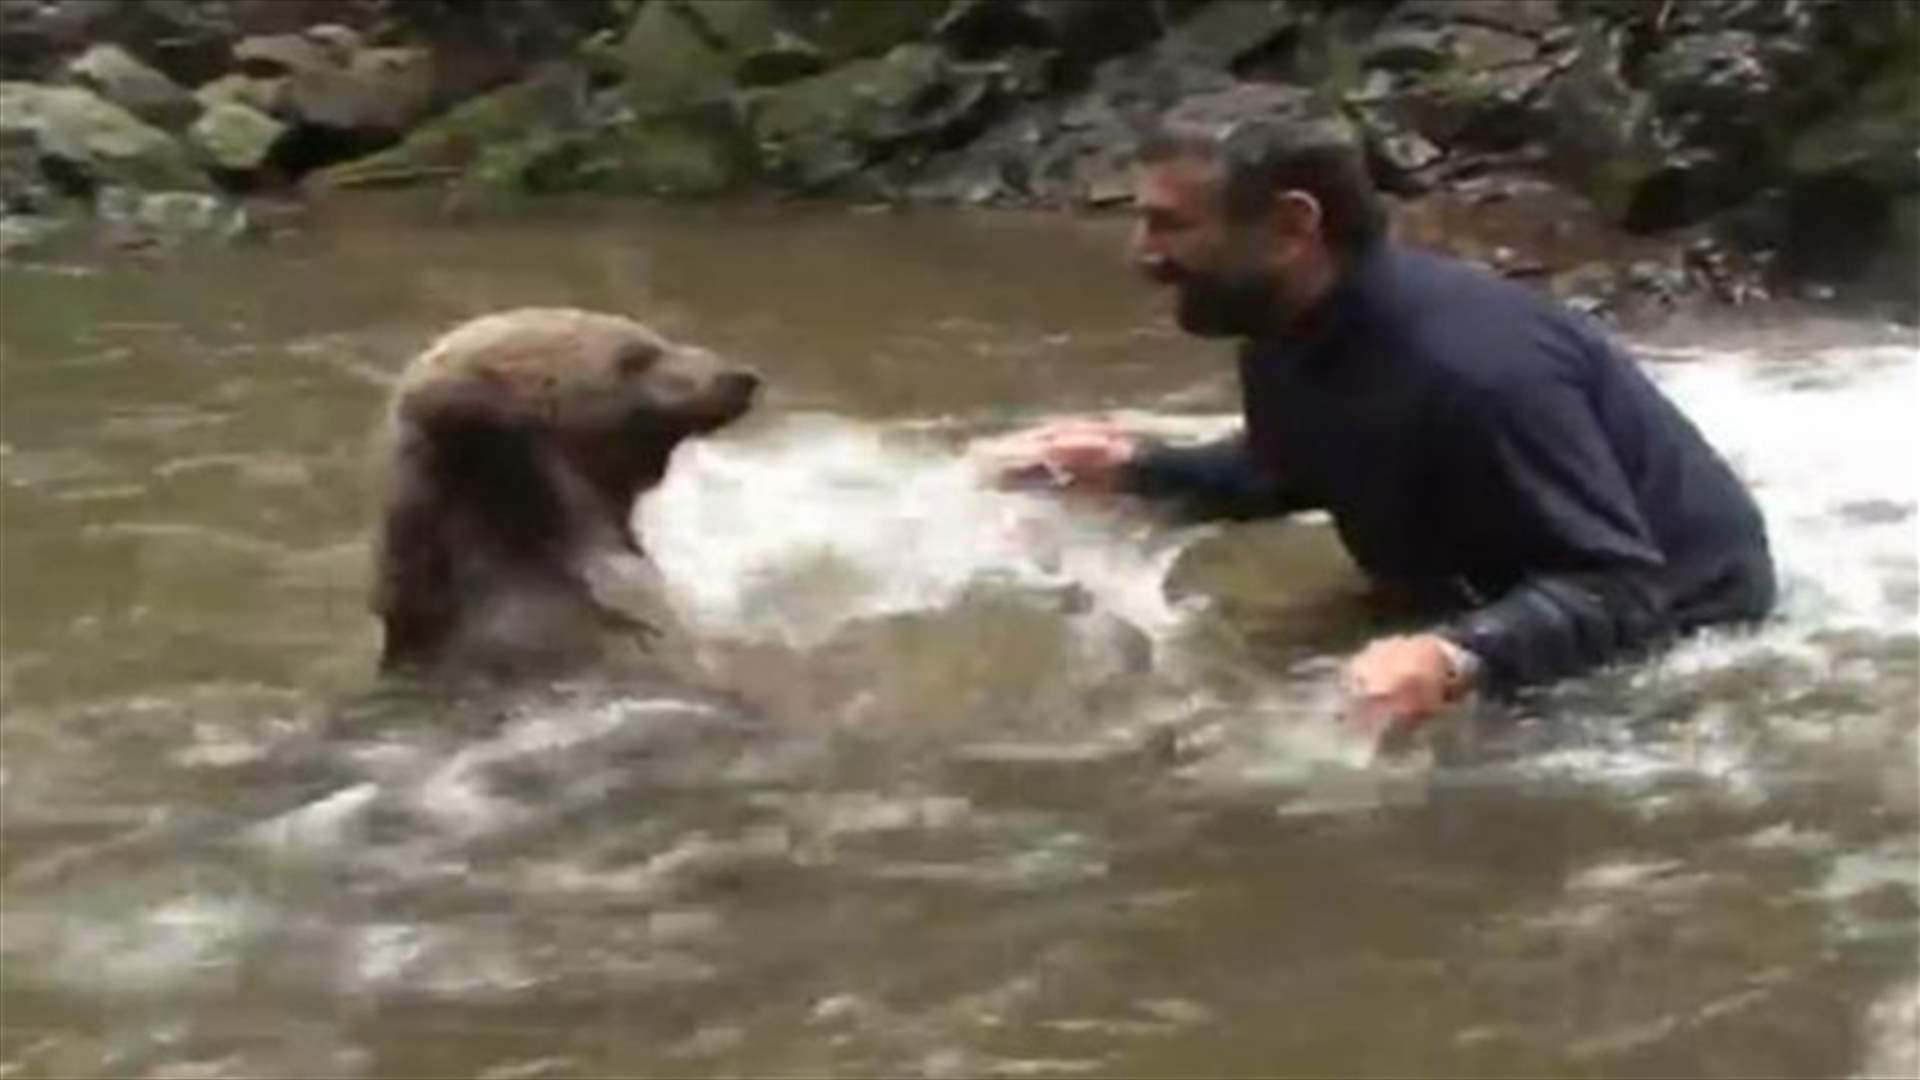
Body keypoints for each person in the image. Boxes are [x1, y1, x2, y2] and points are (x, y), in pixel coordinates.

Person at [986, 119, 1776, 743]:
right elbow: (1295, 468)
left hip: (1685, 640)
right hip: (1494, 585)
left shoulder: (1474, 370)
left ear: (1294, 226)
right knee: (1211, 708)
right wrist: (1135, 469)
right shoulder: (1284, 325)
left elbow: (1623, 588)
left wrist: (1455, 655)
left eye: (1169, 226)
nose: (1142, 255)